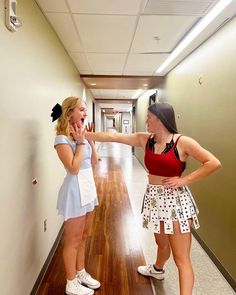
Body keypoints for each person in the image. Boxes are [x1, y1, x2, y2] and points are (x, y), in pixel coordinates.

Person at [84, 102, 221, 295]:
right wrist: (86, 135)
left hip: (176, 202)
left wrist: (184, 180)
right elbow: (114, 136)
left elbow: (213, 163)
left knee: (181, 259)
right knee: (161, 243)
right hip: (154, 199)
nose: (146, 120)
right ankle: (157, 269)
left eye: (149, 117)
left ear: (161, 120)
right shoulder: (145, 140)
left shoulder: (182, 142)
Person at [51, 97, 100, 295]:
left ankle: (80, 272)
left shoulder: (81, 136)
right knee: (72, 240)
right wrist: (80, 144)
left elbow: (95, 161)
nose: (85, 113)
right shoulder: (61, 139)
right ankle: (70, 282)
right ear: (69, 112)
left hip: (88, 188)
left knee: (84, 236)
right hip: (74, 191)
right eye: (81, 109)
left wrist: (88, 141)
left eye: (85, 110)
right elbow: (73, 168)